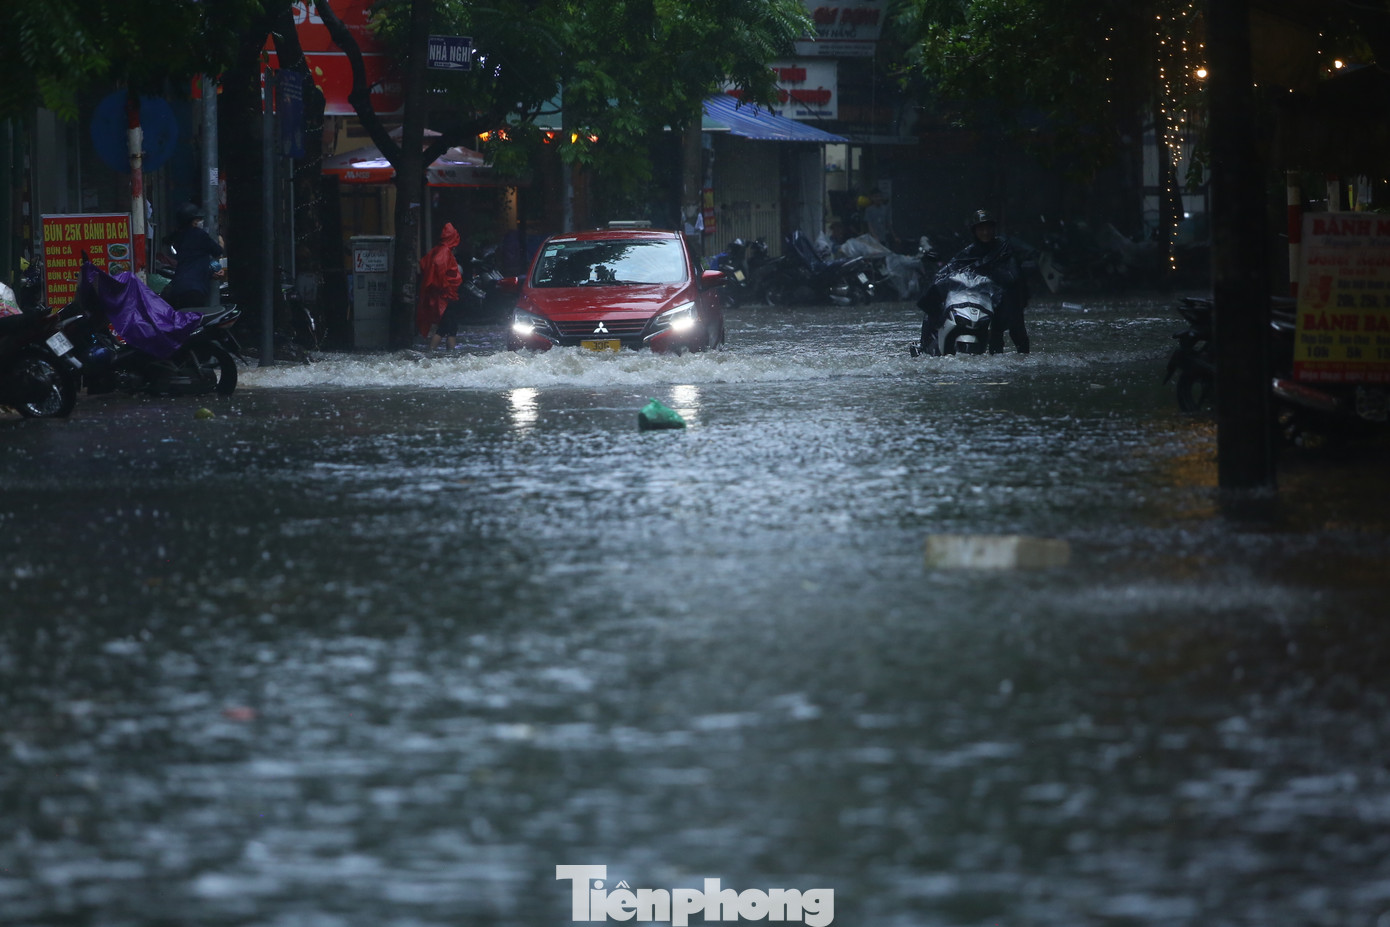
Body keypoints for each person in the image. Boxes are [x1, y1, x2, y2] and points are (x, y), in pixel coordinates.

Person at [917, 208, 1030, 355]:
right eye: (981, 229)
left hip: (1005, 295)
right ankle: (924, 345)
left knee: (1014, 326)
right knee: (932, 304)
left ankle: (1021, 357)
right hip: (981, 296)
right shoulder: (969, 252)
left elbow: (1013, 274)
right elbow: (950, 268)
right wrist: (937, 282)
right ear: (974, 231)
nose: (985, 232)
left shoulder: (1004, 247)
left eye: (988, 228)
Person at [161, 203, 225, 310]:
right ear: (193, 221)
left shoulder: (179, 236)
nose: (200, 221)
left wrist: (210, 273)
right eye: (198, 219)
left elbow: (193, 262)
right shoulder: (200, 235)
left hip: (177, 288)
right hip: (195, 291)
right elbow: (217, 251)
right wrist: (220, 240)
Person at [416, 222, 464, 351]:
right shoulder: (444, 252)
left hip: (444, 295)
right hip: (447, 295)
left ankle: (432, 352)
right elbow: (438, 266)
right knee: (451, 328)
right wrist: (444, 284)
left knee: (443, 327)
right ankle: (450, 355)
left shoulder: (437, 250)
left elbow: (424, 264)